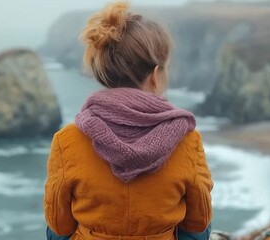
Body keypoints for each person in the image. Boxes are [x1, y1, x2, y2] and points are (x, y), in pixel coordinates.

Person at [44, 2, 213, 239]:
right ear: (155, 75)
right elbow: (199, 221)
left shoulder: (67, 140)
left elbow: (59, 224)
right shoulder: (187, 140)